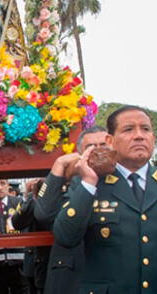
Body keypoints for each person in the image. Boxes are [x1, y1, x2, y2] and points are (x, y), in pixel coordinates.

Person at [53, 105, 157, 293]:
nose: (139, 135)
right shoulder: (90, 182)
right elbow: (65, 236)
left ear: (153, 137)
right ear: (109, 141)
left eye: (145, 129)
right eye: (128, 129)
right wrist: (89, 182)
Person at [35, 125, 110, 294]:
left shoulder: (123, 181)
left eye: (103, 145)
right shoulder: (72, 182)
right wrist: (59, 165)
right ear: (79, 154)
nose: (97, 151)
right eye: (90, 147)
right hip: (72, 277)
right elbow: (43, 214)